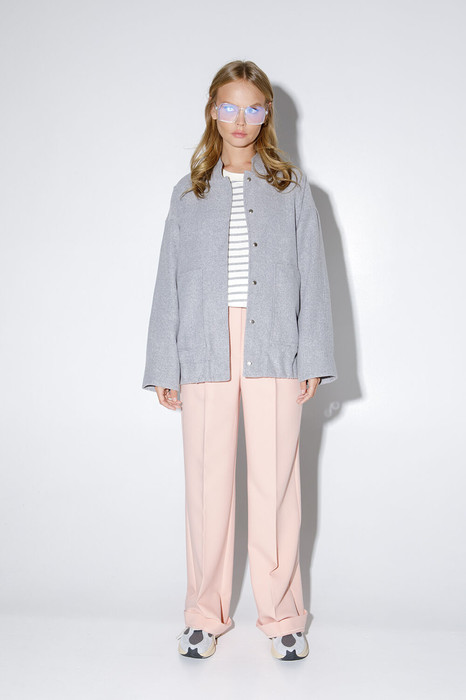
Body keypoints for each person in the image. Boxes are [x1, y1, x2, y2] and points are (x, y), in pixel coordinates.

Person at [142, 60, 337, 661]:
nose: (241, 120)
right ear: (212, 110)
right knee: (207, 486)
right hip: (203, 346)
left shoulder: (292, 189)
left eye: (253, 107)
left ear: (267, 114)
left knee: (276, 486)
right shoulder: (188, 192)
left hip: (274, 343)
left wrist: (313, 355)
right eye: (229, 106)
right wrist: (164, 364)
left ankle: (283, 617)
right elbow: (169, 281)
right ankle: (204, 615)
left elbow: (313, 275)